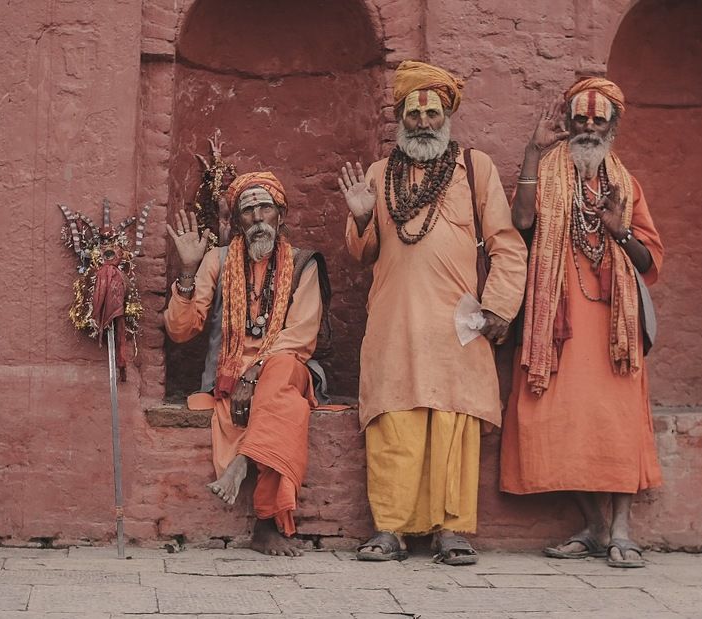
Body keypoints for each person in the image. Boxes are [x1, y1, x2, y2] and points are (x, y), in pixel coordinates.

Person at [340, 61, 527, 565]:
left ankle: (453, 530)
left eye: (433, 112)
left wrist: (499, 307)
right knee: (394, 420)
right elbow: (363, 254)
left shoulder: (474, 167)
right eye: (414, 112)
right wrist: (361, 218)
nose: (423, 121)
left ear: (447, 115)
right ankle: (390, 530)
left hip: (456, 322)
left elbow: (507, 245)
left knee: (452, 423)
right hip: (395, 321)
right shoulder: (381, 174)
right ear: (400, 117)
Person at [500, 78, 664, 568]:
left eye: (599, 121)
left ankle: (621, 530)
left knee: (617, 422)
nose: (589, 128)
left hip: (614, 325)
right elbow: (523, 222)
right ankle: (594, 527)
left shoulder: (625, 183)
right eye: (581, 120)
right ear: (568, 123)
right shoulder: (547, 169)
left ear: (612, 127)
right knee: (554, 418)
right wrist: (532, 152)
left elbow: (651, 260)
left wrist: (621, 232)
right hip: (556, 321)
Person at [164, 172, 327, 556]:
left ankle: (243, 465)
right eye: (248, 211)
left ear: (280, 216)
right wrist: (188, 272)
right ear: (238, 221)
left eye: (265, 209)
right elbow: (180, 331)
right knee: (283, 404)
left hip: (284, 368)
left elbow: (303, 335)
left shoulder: (304, 264)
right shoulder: (216, 261)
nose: (257, 218)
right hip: (228, 376)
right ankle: (266, 524)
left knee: (282, 372)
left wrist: (256, 372)